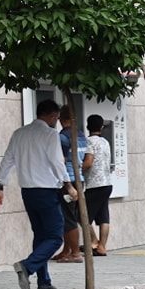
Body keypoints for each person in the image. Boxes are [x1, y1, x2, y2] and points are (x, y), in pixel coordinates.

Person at [0, 97, 74, 289]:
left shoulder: (19, 133)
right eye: (55, 118)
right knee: (55, 237)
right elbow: (56, 162)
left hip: (28, 192)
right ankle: (27, 266)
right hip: (46, 191)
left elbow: (8, 160)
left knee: (40, 235)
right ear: (53, 116)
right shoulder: (50, 135)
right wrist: (68, 185)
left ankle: (44, 280)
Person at [52, 104, 88, 263]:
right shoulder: (81, 135)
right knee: (70, 216)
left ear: (61, 118)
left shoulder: (62, 137)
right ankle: (67, 250)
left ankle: (75, 253)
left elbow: (61, 161)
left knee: (68, 218)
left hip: (69, 181)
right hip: (79, 179)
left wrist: (67, 184)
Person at [82, 114, 113, 256]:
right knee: (103, 216)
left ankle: (94, 241)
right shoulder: (105, 142)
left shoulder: (88, 142)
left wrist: (79, 169)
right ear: (101, 128)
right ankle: (102, 246)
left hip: (94, 184)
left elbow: (88, 162)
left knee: (82, 215)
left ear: (88, 127)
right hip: (107, 183)